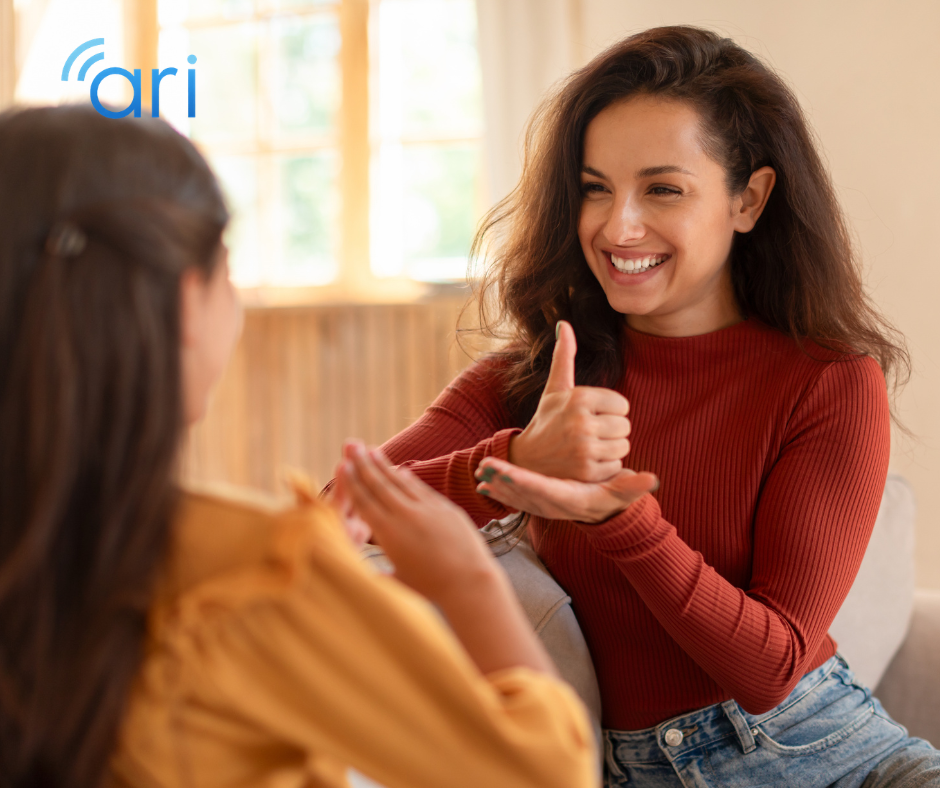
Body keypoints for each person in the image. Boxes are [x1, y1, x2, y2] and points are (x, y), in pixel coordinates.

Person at [364, 26, 940, 787]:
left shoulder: (829, 381)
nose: (617, 225)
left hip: (828, 758)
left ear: (749, 199)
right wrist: (512, 460)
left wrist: (620, 521)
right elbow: (341, 509)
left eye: (662, 189)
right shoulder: (538, 378)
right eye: (596, 187)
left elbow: (771, 669)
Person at [0, 104, 597, 788]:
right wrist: (468, 579)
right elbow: (547, 773)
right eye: (229, 275)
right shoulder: (260, 574)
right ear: (186, 305)